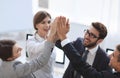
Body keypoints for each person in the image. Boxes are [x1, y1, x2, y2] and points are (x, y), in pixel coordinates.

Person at [56, 16, 120, 78]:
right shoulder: (79, 42)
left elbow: (82, 66)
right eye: (87, 32)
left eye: (92, 35)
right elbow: (61, 45)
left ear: (100, 41)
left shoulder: (105, 60)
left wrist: (63, 36)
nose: (86, 36)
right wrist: (58, 32)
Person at [26, 10, 56, 78]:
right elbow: (36, 48)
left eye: (49, 22)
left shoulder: (50, 39)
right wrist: (51, 39)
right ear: (36, 25)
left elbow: (50, 65)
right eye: (43, 22)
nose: (47, 25)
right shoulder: (30, 41)